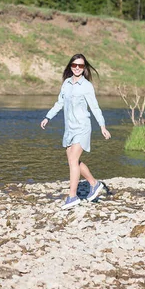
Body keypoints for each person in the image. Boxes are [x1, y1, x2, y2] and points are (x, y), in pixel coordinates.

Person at [40, 53, 111, 209]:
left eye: (81, 65)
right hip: (69, 128)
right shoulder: (66, 83)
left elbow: (95, 107)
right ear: (70, 66)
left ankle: (72, 197)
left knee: (73, 160)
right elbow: (59, 103)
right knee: (74, 161)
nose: (77, 68)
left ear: (84, 68)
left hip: (82, 127)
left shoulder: (87, 86)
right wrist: (48, 117)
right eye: (74, 65)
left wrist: (102, 126)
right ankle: (94, 183)